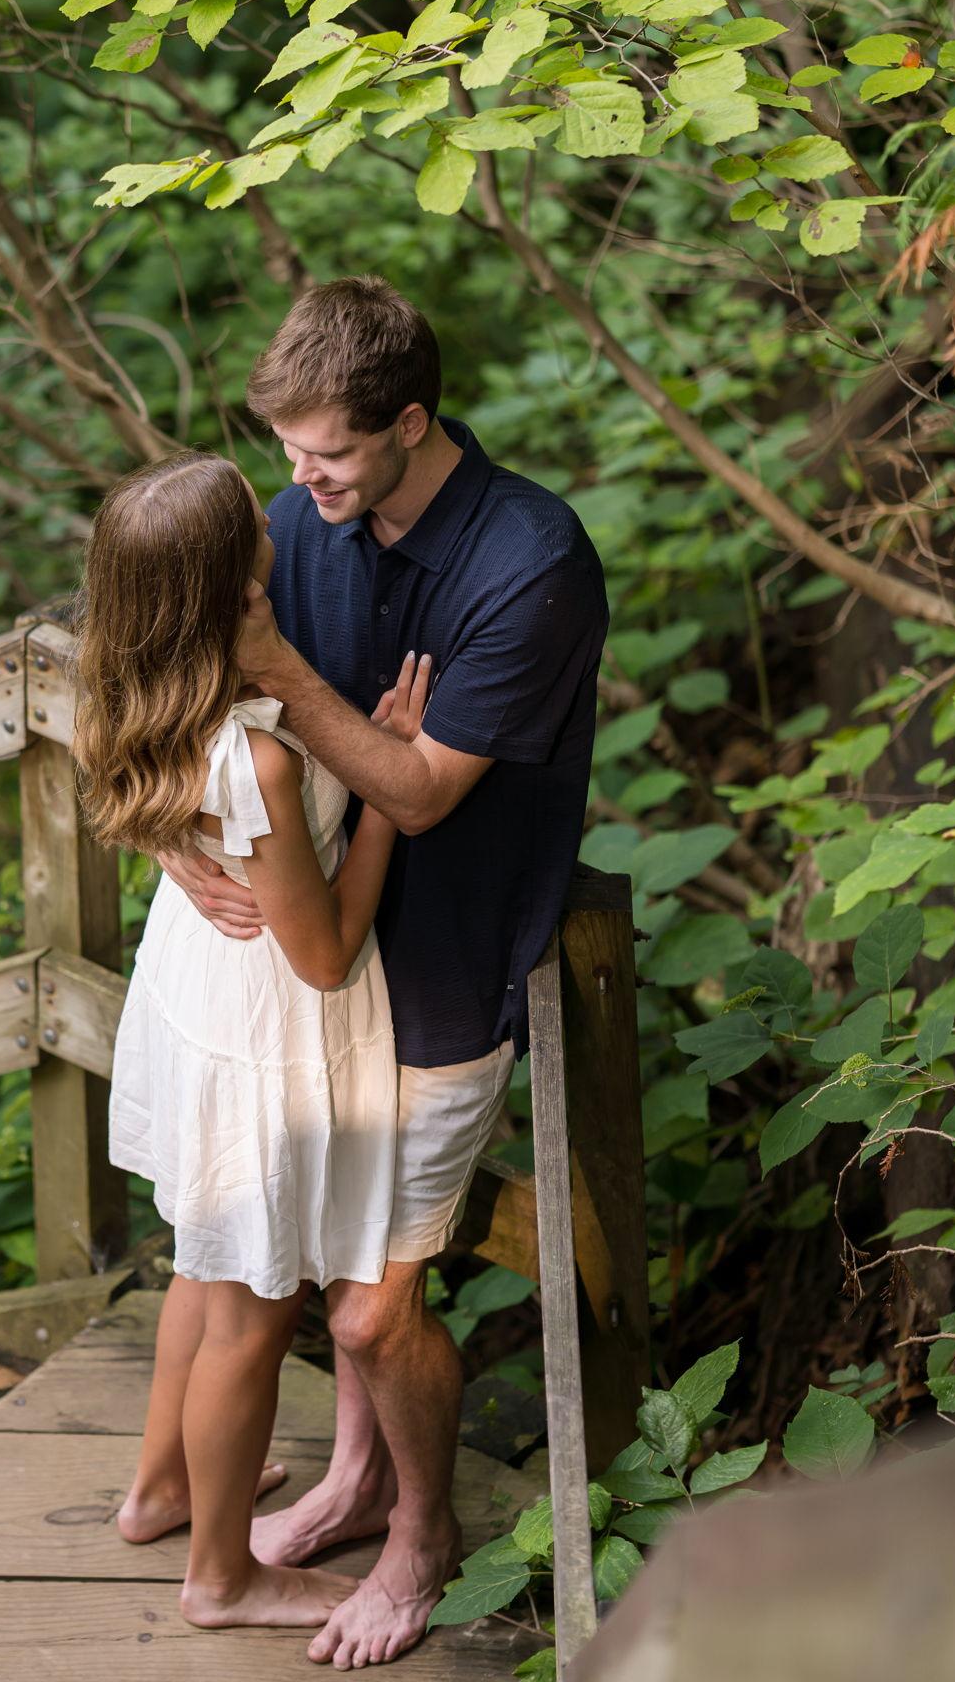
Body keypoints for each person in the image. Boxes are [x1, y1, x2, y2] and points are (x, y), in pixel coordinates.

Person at [162, 275, 609, 1668]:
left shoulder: (526, 564)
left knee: (371, 1304)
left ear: (412, 421)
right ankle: (356, 1481)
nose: (299, 485)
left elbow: (417, 795)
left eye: (330, 454)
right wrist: (171, 828)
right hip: (311, 961)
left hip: (442, 968)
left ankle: (424, 1542)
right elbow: (180, 681)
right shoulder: (307, 516)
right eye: (290, 454)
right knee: (319, 1267)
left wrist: (285, 672)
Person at [71, 448, 434, 1632]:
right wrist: (378, 798)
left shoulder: (129, 683)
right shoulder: (260, 756)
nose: (277, 522)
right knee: (249, 1311)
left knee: (201, 1257)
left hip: (194, 987)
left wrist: (184, 844)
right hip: (259, 1026)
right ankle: (223, 1574)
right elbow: (322, 951)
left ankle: (158, 1488)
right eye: (253, 525)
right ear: (234, 578)